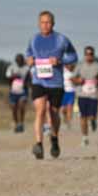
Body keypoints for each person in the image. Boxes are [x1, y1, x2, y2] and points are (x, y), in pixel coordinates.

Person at [26, 10, 78, 159]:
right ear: (38, 24)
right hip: (38, 81)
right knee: (40, 110)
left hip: (56, 83)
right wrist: (29, 60)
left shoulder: (61, 39)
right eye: (42, 22)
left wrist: (60, 61)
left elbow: (73, 56)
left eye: (48, 22)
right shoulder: (34, 40)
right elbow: (28, 54)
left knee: (53, 113)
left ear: (53, 24)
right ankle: (39, 144)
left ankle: (54, 139)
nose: (45, 25)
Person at [72, 46, 98, 146]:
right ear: (85, 55)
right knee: (83, 117)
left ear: (93, 55)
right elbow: (72, 78)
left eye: (91, 54)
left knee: (92, 116)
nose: (89, 56)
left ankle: (93, 121)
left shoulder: (97, 66)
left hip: (93, 95)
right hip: (82, 94)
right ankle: (85, 137)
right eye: (87, 54)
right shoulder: (80, 65)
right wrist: (79, 81)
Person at [5, 54, 30, 132]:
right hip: (13, 90)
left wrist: (27, 83)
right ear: (16, 60)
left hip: (23, 90)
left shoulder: (27, 68)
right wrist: (14, 76)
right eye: (18, 60)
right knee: (13, 107)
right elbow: (7, 76)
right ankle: (16, 124)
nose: (19, 61)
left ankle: (21, 123)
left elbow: (30, 78)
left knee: (22, 105)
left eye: (21, 60)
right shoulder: (11, 67)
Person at [61, 63, 77, 129]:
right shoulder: (62, 69)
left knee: (70, 108)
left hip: (71, 92)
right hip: (63, 92)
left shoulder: (75, 71)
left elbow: (77, 81)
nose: (69, 65)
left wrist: (74, 80)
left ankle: (68, 123)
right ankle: (65, 120)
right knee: (63, 110)